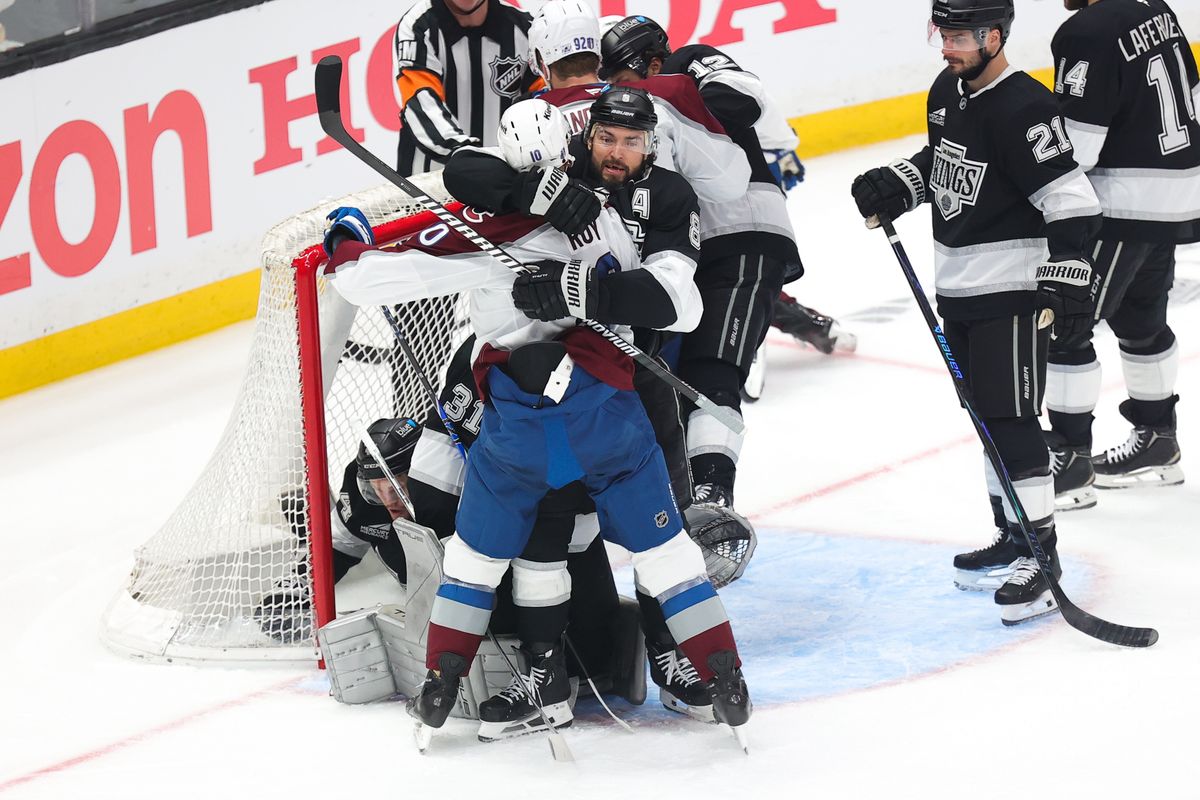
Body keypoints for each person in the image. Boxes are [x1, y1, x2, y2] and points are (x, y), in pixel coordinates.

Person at [324, 97, 752, 744]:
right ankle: (702, 669)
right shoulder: (587, 200)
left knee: (506, 552)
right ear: (581, 143)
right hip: (611, 402)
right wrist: (537, 195)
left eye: (629, 141)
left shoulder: (659, 197)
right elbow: (471, 171)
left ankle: (482, 673)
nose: (615, 151)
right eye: (604, 137)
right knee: (633, 546)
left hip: (564, 408)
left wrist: (348, 238)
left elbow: (678, 303)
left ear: (651, 145)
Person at [850, 0, 1103, 624]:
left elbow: (1071, 197)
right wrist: (900, 184)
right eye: (944, 34)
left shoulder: (1027, 106)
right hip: (958, 284)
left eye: (959, 36)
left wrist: (1068, 273)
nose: (947, 48)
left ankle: (1043, 557)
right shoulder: (948, 91)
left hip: (1011, 288)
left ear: (995, 36)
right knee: (987, 417)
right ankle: (1014, 534)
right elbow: (948, 163)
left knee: (1012, 420)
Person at [600, 15, 806, 509]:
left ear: (651, 63)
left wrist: (674, 100)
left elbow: (751, 101)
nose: (619, 96)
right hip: (683, 253)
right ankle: (678, 509)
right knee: (669, 385)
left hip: (741, 234)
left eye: (625, 81)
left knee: (711, 373)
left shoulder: (689, 64)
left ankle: (714, 503)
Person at [1042, 0, 1197, 505]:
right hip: (1172, 195)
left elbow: (1078, 147)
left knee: (1066, 326)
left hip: (1118, 204)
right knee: (1140, 322)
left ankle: (1070, 462)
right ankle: (1157, 440)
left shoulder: (1086, 31)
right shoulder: (1156, 9)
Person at [255, 417, 422, 642]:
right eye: (376, 487)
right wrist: (295, 591)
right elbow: (341, 544)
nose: (389, 499)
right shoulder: (363, 501)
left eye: (397, 481)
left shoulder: (453, 491)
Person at [393, 0, 544, 175]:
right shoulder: (419, 25)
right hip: (430, 184)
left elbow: (543, 106)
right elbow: (421, 105)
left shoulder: (526, 28)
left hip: (502, 181)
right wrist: (469, 155)